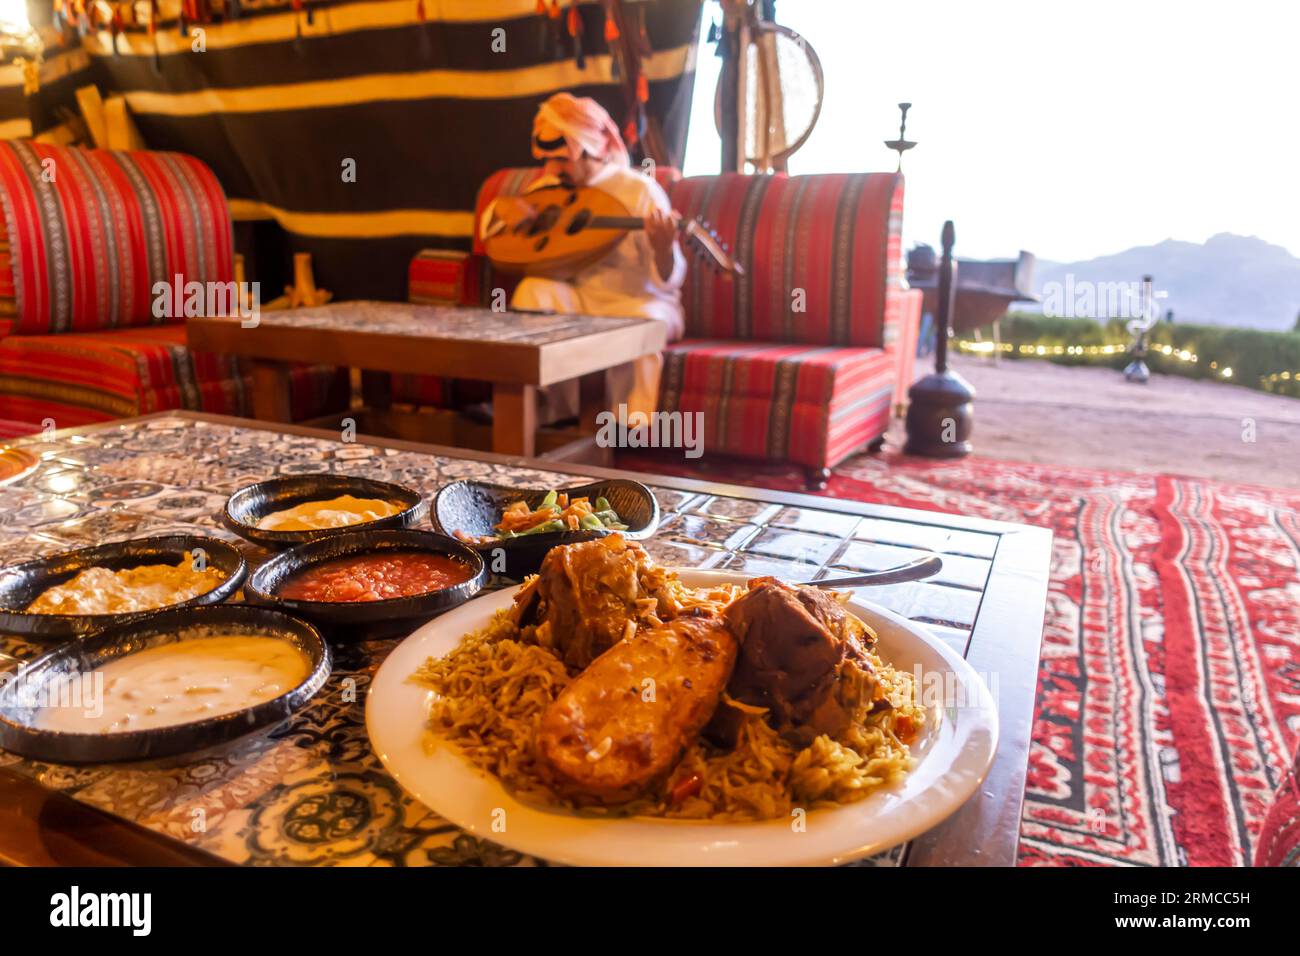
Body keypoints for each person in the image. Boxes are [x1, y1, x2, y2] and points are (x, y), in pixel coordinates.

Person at [481, 92, 685, 420]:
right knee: (533, 290)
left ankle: (628, 426)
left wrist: (663, 248)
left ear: (590, 150)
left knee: (640, 325)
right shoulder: (549, 188)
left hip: (635, 300)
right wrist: (501, 209)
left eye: (562, 159)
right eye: (547, 160)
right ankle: (549, 412)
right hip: (578, 300)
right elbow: (493, 230)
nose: (551, 169)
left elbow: (668, 278)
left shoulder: (638, 191)